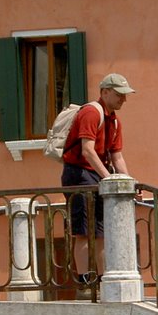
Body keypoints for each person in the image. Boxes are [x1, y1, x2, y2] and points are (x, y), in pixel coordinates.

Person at [61, 73, 136, 286]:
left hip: (95, 173)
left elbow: (117, 156)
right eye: (119, 94)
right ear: (105, 92)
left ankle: (104, 280)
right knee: (83, 230)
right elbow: (87, 150)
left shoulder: (115, 121)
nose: (124, 99)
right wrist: (110, 179)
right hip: (79, 173)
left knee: (101, 230)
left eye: (125, 95)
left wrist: (127, 181)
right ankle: (85, 281)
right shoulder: (91, 113)